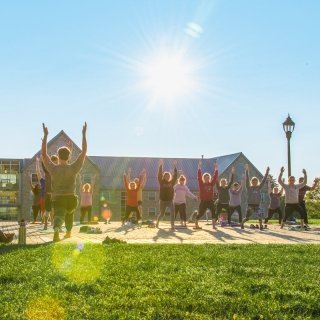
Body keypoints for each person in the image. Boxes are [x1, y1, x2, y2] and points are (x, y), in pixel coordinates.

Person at [41, 122, 87, 242]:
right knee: (69, 213)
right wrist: (83, 134)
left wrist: (45, 136)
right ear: (69, 156)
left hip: (58, 198)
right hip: (71, 199)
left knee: (59, 215)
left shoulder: (54, 169)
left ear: (57, 155)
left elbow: (44, 155)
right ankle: (68, 232)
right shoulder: (73, 168)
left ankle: (56, 228)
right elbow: (83, 152)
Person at [241, 164, 270, 230]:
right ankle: (242, 223)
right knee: (247, 217)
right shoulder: (249, 187)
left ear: (257, 182)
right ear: (252, 182)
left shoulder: (259, 187)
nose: (254, 183)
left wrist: (267, 172)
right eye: (253, 182)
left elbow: (263, 180)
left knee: (260, 216)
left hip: (257, 205)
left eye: (256, 182)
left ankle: (261, 226)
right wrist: (246, 171)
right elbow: (247, 180)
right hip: (250, 205)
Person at [195, 159, 218, 229]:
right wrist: (199, 167)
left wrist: (216, 169)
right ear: (204, 178)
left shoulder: (211, 184)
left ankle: (213, 226)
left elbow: (215, 177)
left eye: (208, 178)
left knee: (213, 212)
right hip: (203, 201)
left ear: (209, 178)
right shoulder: (201, 184)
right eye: (206, 178)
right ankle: (196, 224)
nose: (207, 179)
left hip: (210, 201)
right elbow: (199, 177)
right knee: (201, 213)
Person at [156, 159, 177, 229]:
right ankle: (157, 222)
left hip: (170, 201)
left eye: (168, 176)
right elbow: (159, 175)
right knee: (162, 214)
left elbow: (175, 176)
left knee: (172, 210)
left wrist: (174, 166)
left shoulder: (171, 182)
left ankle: (172, 224)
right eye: (166, 176)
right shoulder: (161, 182)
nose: (167, 177)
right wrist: (161, 165)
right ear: (164, 176)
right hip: (162, 201)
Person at [40, 155, 59, 229]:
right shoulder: (48, 170)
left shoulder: (59, 171)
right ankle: (45, 224)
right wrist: (42, 160)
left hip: (57, 194)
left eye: (56, 162)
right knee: (47, 210)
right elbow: (44, 166)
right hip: (49, 194)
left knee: (57, 210)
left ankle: (56, 225)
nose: (55, 164)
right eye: (54, 162)